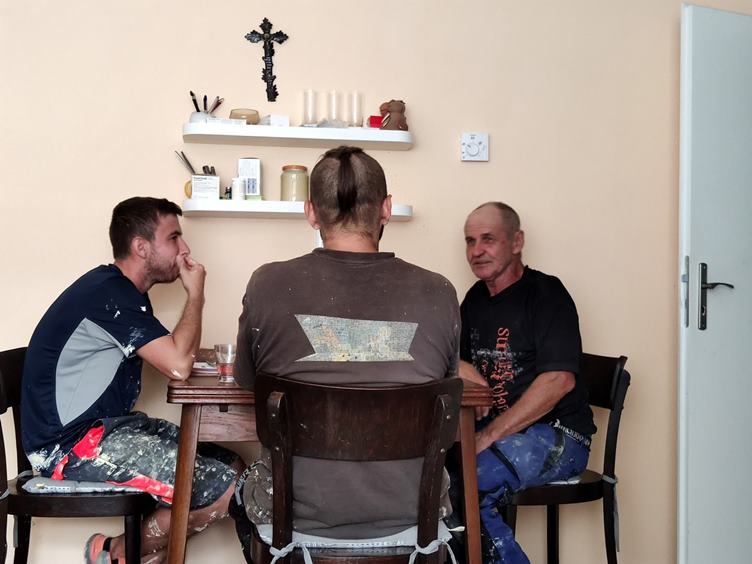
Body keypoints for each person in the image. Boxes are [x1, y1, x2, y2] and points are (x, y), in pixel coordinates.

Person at [231, 146, 460, 558]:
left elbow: (247, 384)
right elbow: (444, 390)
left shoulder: (266, 284)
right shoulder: (440, 292)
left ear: (311, 213)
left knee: (239, 490)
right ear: (386, 209)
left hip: (294, 521)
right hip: (411, 519)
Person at [21, 197, 242, 564]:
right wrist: (196, 294)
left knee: (233, 466)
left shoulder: (121, 293)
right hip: (71, 447)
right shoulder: (110, 297)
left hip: (111, 429)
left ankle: (119, 554)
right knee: (231, 489)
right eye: (174, 238)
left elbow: (170, 353)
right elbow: (177, 365)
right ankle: (118, 552)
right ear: (141, 247)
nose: (185, 249)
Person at [459, 202, 595, 564]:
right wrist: (461, 365)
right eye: (470, 241)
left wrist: (488, 436)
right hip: (502, 437)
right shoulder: (474, 299)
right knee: (431, 476)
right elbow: (446, 357)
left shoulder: (547, 294)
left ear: (517, 242)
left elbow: (559, 380)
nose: (476, 251)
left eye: (488, 239)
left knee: (470, 482)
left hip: (559, 436)